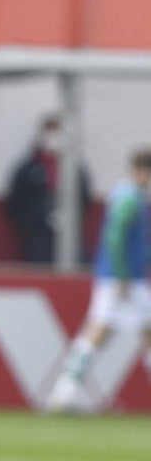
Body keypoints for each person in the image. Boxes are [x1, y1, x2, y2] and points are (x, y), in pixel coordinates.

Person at [46, 149, 151, 414]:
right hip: (125, 279)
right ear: (141, 169)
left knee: (98, 333)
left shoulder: (127, 196)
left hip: (118, 277)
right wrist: (123, 275)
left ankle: (64, 393)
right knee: (104, 332)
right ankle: (63, 393)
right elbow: (115, 238)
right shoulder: (129, 199)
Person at [3, 115, 92, 266]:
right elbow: (15, 202)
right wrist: (32, 220)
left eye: (57, 134)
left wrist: (71, 218)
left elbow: (84, 199)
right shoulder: (28, 168)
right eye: (49, 133)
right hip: (38, 236)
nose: (53, 139)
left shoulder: (75, 170)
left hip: (68, 236)